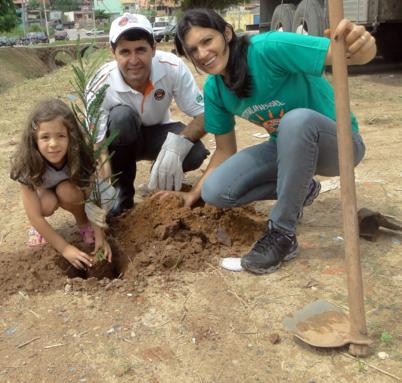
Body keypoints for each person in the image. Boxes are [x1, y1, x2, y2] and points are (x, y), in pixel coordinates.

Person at [155, 8, 377, 274]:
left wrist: (365, 44)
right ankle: (302, 189)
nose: (202, 54)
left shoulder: (268, 49)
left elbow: (348, 54)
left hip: (339, 146)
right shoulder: (215, 89)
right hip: (286, 149)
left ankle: (282, 234)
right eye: (193, 50)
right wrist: (194, 193)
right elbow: (225, 150)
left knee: (296, 121)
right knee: (215, 191)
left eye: (207, 41)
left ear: (226, 33)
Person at [87, 13, 209, 217]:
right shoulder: (101, 83)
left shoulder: (172, 67)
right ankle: (122, 198)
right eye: (125, 52)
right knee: (121, 117)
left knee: (194, 152)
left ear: (153, 48)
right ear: (113, 53)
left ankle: (158, 181)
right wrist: (104, 182)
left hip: (157, 134)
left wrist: (177, 145)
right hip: (119, 142)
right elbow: (96, 143)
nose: (134, 60)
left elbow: (205, 115)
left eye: (141, 50)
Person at [10, 99, 112, 270]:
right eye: (45, 137)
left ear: (71, 136)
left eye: (61, 136)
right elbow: (33, 214)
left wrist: (100, 236)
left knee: (66, 191)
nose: (53, 144)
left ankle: (83, 224)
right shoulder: (27, 163)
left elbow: (95, 196)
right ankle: (40, 230)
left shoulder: (81, 156)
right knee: (46, 204)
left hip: (69, 188)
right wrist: (65, 248)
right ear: (34, 139)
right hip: (44, 195)